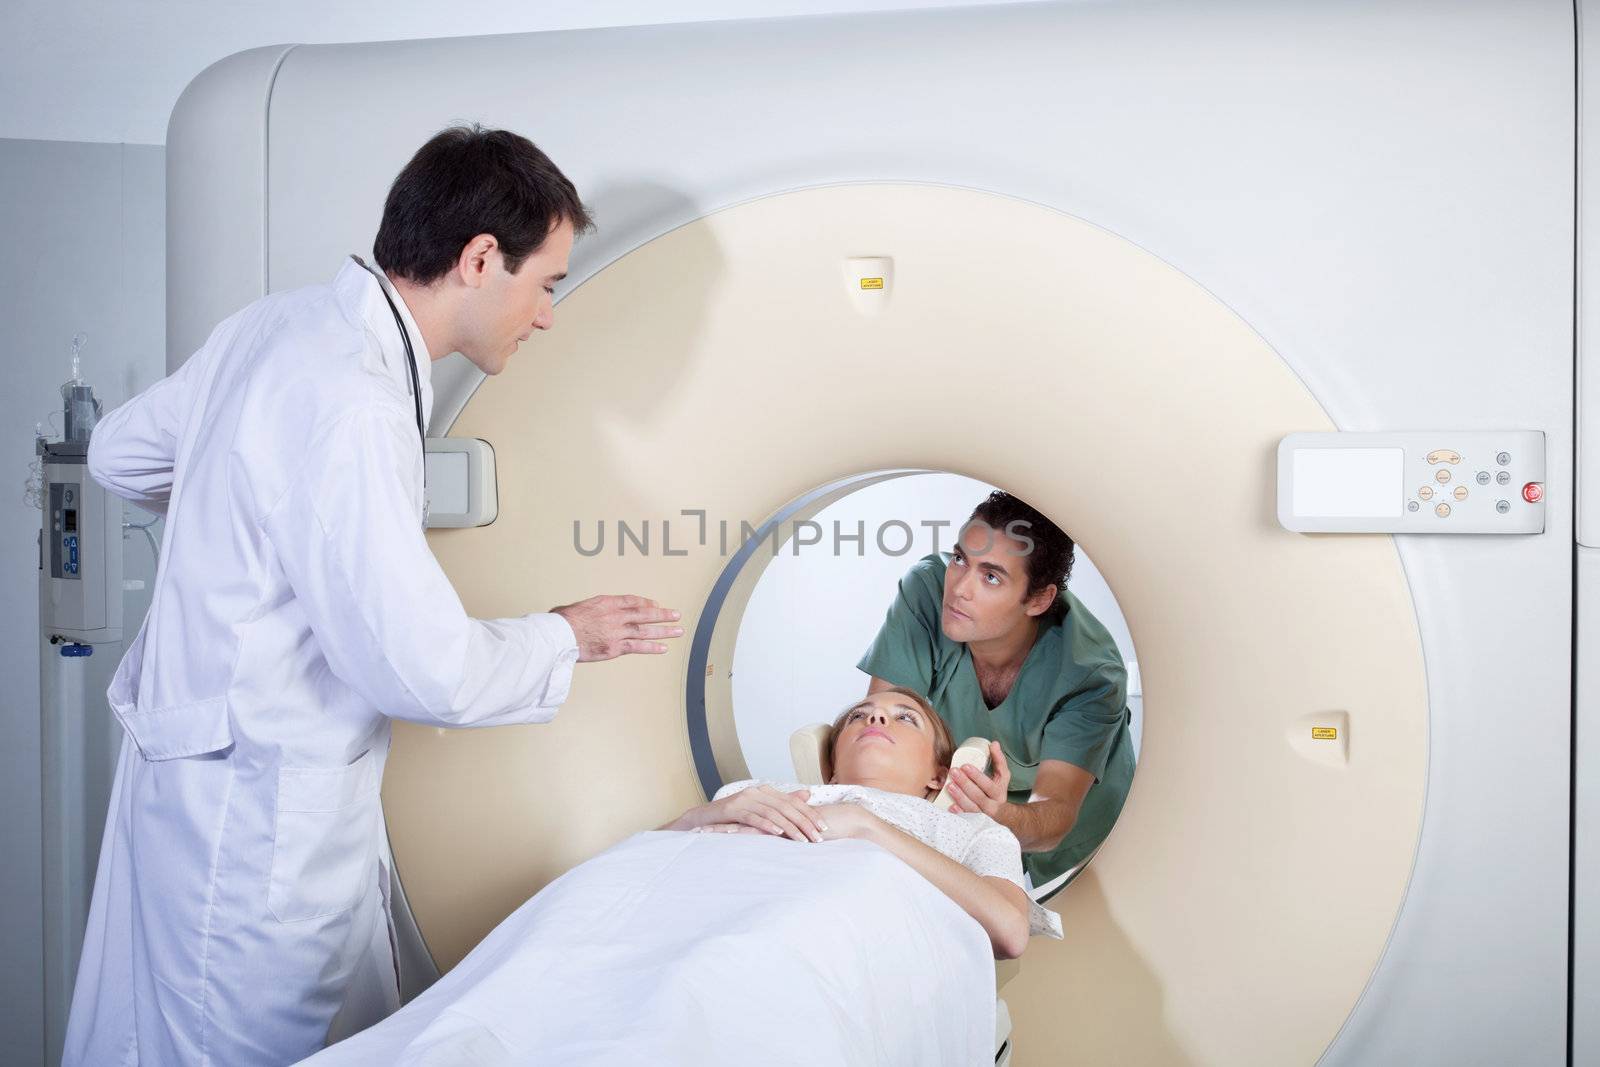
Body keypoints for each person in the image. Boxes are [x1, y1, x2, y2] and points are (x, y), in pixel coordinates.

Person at [64, 126, 683, 1067]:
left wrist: (239, 507)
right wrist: (566, 636)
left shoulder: (275, 326)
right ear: (481, 259)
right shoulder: (353, 402)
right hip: (256, 820)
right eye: (546, 281)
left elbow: (117, 453)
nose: (547, 312)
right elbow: (420, 670)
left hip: (210, 789)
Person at [858, 491, 1136, 888]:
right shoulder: (926, 593)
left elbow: (1054, 813)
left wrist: (999, 814)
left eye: (991, 576)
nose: (959, 589)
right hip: (972, 801)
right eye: (959, 560)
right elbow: (884, 728)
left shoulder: (1090, 674)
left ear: (1039, 599)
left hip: (1076, 827)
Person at [662, 686, 1051, 959]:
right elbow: (644, 866)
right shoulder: (756, 791)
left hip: (798, 945)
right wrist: (698, 816)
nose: (876, 716)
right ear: (830, 770)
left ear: (939, 774)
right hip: (688, 915)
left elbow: (1011, 933)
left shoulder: (973, 832)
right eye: (857, 717)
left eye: (906, 718)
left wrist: (864, 826)